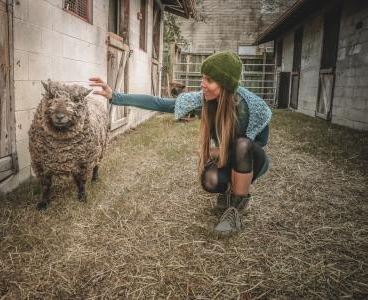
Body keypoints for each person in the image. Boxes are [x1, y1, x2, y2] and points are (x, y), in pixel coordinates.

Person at [89, 51, 271, 238]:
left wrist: (219, 151)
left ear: (224, 84)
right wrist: (115, 96)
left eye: (209, 80)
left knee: (241, 144)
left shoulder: (251, 107)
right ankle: (228, 193)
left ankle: (235, 211)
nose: (202, 84)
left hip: (251, 162)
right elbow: (159, 103)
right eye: (202, 78)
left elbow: (259, 142)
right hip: (227, 160)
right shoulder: (203, 101)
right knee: (210, 180)